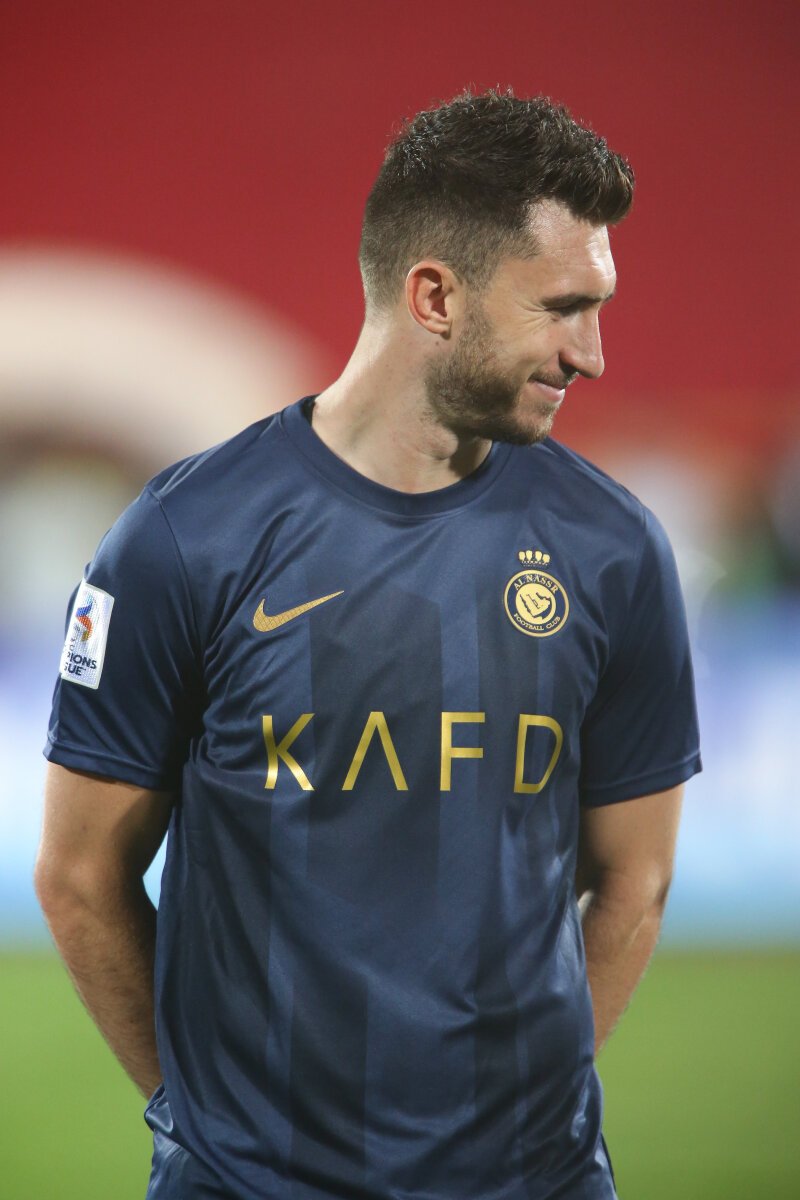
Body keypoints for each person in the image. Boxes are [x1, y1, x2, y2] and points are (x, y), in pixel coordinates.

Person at [36, 89, 701, 1200]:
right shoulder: (187, 538)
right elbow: (79, 873)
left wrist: (524, 1127)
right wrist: (210, 1127)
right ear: (433, 295)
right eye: (561, 307)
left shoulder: (612, 548)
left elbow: (634, 876)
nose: (589, 353)